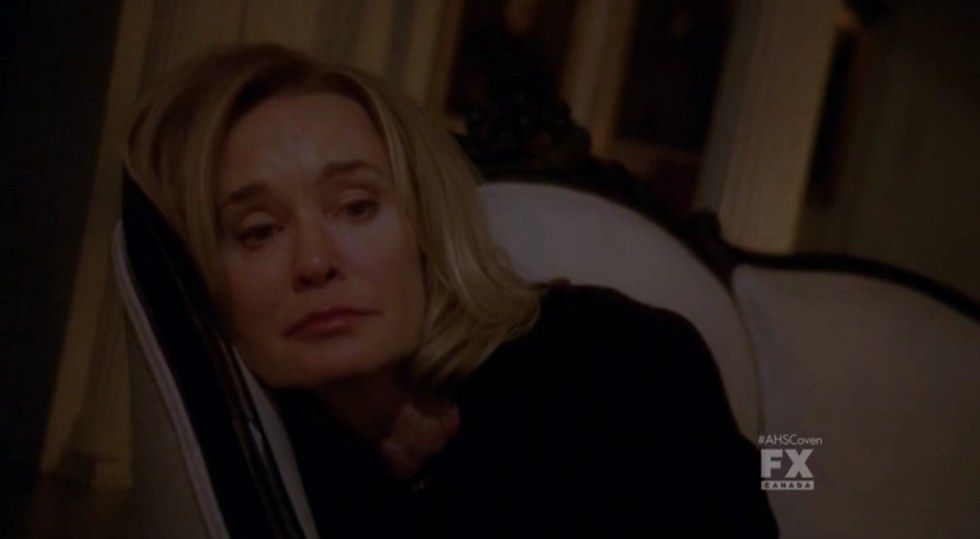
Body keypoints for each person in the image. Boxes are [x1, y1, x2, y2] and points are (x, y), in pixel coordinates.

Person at [123, 43, 778, 537]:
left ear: (427, 228)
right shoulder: (270, 464)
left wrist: (808, 465)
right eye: (259, 231)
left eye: (356, 207)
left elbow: (774, 474)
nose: (314, 262)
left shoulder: (613, 353)